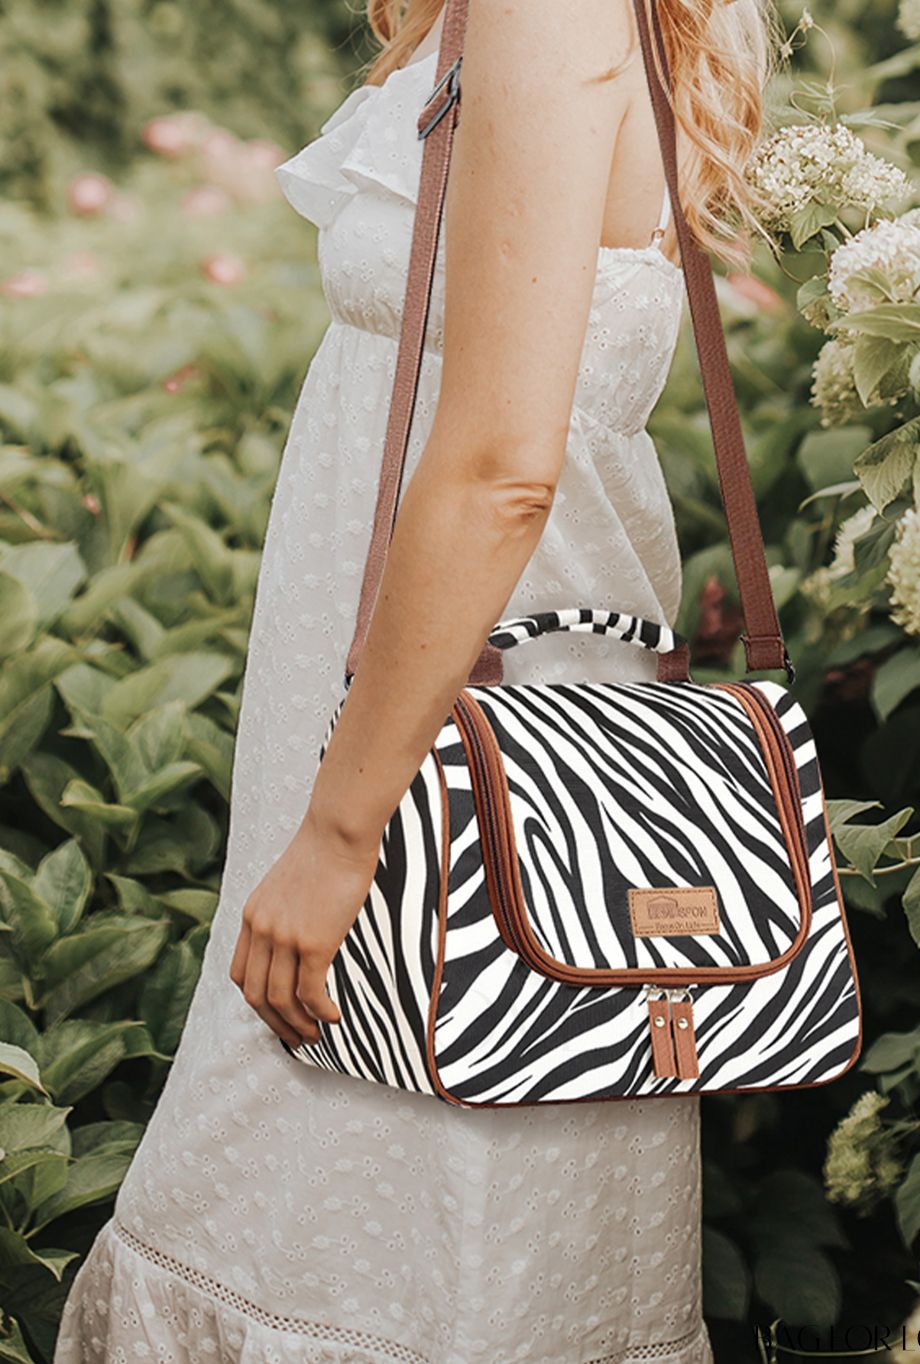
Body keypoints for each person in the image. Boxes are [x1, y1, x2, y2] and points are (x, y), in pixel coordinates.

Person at [55, 1, 776, 1359]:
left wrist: (340, 835)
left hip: (465, 744)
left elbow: (503, 467)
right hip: (413, 709)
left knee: (413, 1243)